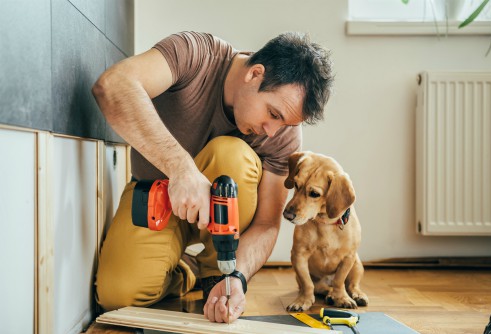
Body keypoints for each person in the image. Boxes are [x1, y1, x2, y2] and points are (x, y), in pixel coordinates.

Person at [92, 31, 333, 323]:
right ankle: (186, 271)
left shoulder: (283, 134)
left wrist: (239, 277)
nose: (272, 130)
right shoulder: (195, 54)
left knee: (231, 154)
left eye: (284, 123)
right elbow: (113, 85)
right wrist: (181, 169)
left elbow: (267, 223)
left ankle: (216, 273)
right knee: (118, 296)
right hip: (156, 194)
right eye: (272, 113)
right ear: (255, 74)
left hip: (223, 229)